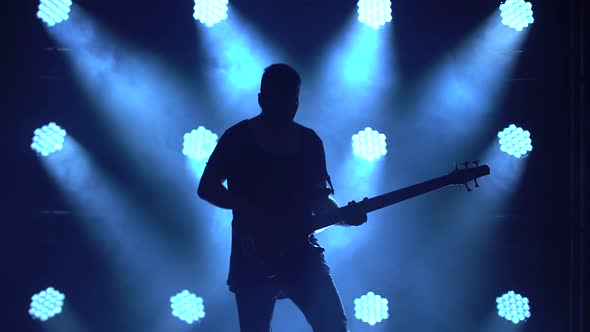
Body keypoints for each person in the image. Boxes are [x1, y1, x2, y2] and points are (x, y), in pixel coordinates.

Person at [197, 63, 368, 332]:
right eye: (282, 98)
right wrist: (251, 210)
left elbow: (319, 201)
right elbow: (206, 187)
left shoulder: (310, 142)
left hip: (301, 253)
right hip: (252, 255)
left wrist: (345, 217)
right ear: (263, 99)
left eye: (293, 98)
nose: (289, 105)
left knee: (333, 326)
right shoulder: (237, 139)